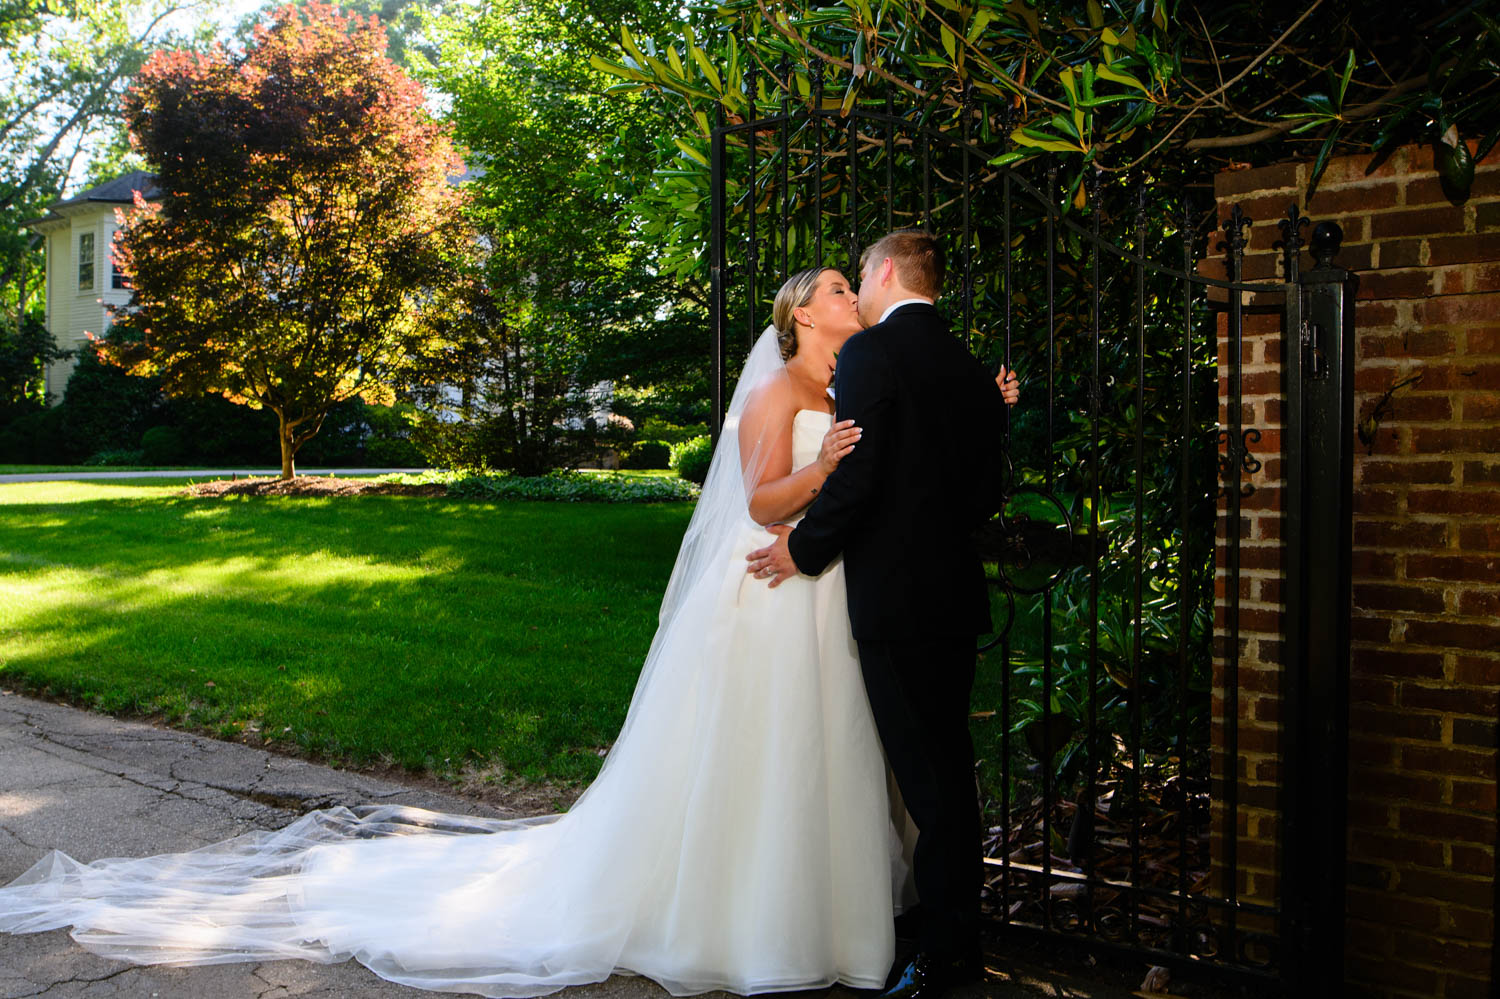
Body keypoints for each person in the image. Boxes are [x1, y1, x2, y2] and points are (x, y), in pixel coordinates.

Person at [0, 266, 1016, 997]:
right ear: (800, 313)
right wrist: (827, 467)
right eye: (834, 287)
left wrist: (985, 409)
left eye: (854, 284)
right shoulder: (778, 391)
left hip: (831, 597)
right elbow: (760, 503)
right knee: (766, 760)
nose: (849, 296)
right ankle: (751, 917)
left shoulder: (858, 384)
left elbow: (915, 463)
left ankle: (845, 913)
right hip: (773, 588)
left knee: (831, 759)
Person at [747, 231, 1010, 999]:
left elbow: (859, 482)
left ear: (885, 270)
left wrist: (805, 550)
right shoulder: (969, 368)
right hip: (955, 598)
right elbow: (980, 492)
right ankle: (960, 933)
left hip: (896, 600)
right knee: (948, 774)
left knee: (928, 787)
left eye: (859, 271)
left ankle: (942, 950)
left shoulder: (869, 356)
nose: (856, 285)